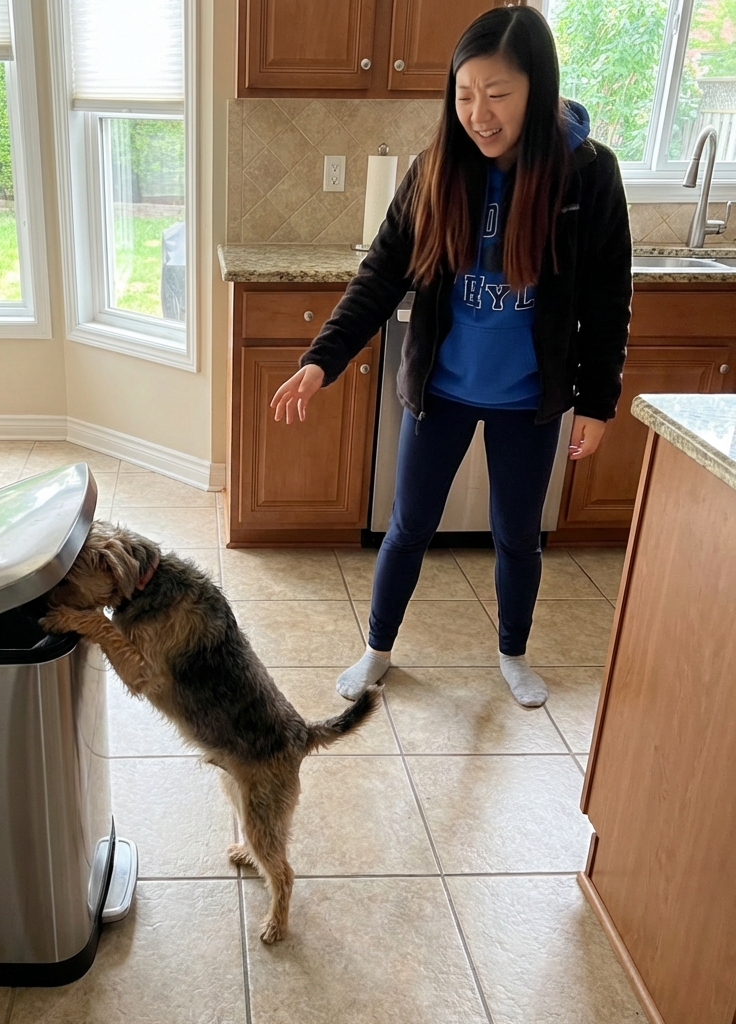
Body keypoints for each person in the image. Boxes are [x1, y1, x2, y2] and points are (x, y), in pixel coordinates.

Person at [269, 5, 631, 709]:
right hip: (443, 390)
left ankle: (513, 654)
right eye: (466, 94)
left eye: (498, 94)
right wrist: (322, 360)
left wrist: (598, 402)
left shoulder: (587, 175)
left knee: (518, 539)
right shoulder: (436, 168)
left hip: (530, 400)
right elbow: (381, 274)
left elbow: (609, 296)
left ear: (538, 88)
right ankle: (377, 649)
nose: (480, 113)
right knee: (408, 528)